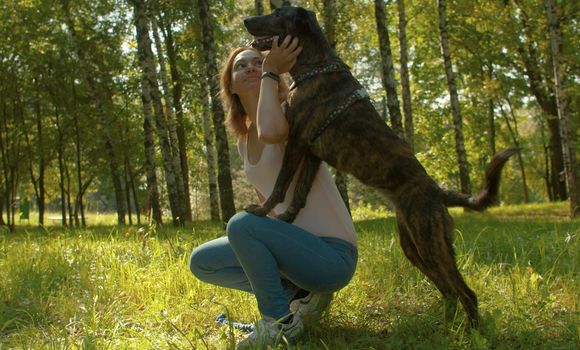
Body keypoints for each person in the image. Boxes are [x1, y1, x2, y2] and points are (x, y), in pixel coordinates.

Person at [189, 35, 358, 349]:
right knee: (202, 261)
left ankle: (279, 322)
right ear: (232, 86)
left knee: (242, 224)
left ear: (272, 73)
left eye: (258, 62)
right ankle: (300, 296)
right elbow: (271, 208)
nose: (253, 68)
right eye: (243, 66)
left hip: (333, 256)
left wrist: (273, 70)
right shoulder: (243, 142)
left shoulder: (289, 112)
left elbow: (274, 131)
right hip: (299, 253)